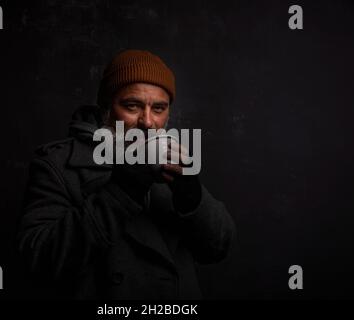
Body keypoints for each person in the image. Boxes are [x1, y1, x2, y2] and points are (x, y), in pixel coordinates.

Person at [16, 49, 235, 299]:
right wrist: (122, 191)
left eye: (159, 108)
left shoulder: (169, 161)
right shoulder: (58, 164)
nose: (148, 122)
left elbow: (217, 249)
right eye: (132, 106)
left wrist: (192, 198)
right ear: (106, 107)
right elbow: (39, 261)